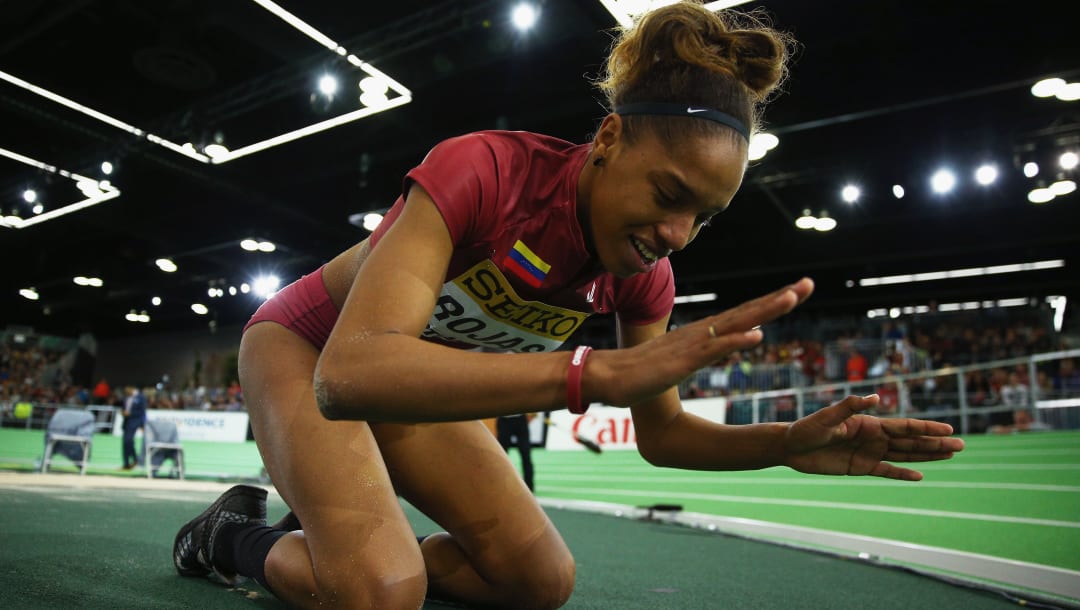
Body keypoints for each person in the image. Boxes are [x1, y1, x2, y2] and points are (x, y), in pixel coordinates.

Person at [173, 3, 964, 608]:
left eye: (703, 217)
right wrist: (588, 373)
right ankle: (232, 539)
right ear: (611, 138)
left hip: (411, 387)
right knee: (381, 595)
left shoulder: (639, 276)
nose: (676, 235)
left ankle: (354, 546)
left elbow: (664, 436)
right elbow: (351, 372)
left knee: (539, 581)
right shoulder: (485, 171)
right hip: (308, 352)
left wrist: (786, 442)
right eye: (668, 195)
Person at [496, 413, 536, 492]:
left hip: (520, 418)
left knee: (526, 455)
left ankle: (530, 488)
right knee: (501, 457)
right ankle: (500, 485)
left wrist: (533, 414)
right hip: (504, 419)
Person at [121, 385, 147, 470]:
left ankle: (131, 462)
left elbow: (142, 412)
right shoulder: (126, 397)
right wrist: (123, 413)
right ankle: (129, 462)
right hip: (127, 422)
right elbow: (124, 408)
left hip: (135, 422)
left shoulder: (141, 397)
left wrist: (142, 425)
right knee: (126, 442)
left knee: (128, 440)